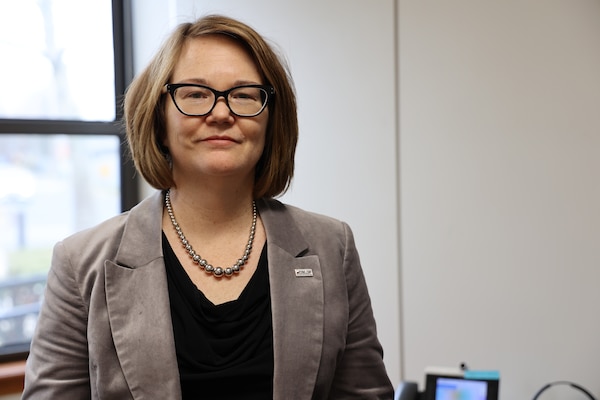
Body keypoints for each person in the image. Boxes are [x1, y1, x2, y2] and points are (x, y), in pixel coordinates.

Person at [22, 14, 394, 399]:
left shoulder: (332, 246)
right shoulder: (81, 262)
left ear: (270, 119)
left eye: (245, 95)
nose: (220, 113)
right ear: (158, 116)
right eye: (196, 94)